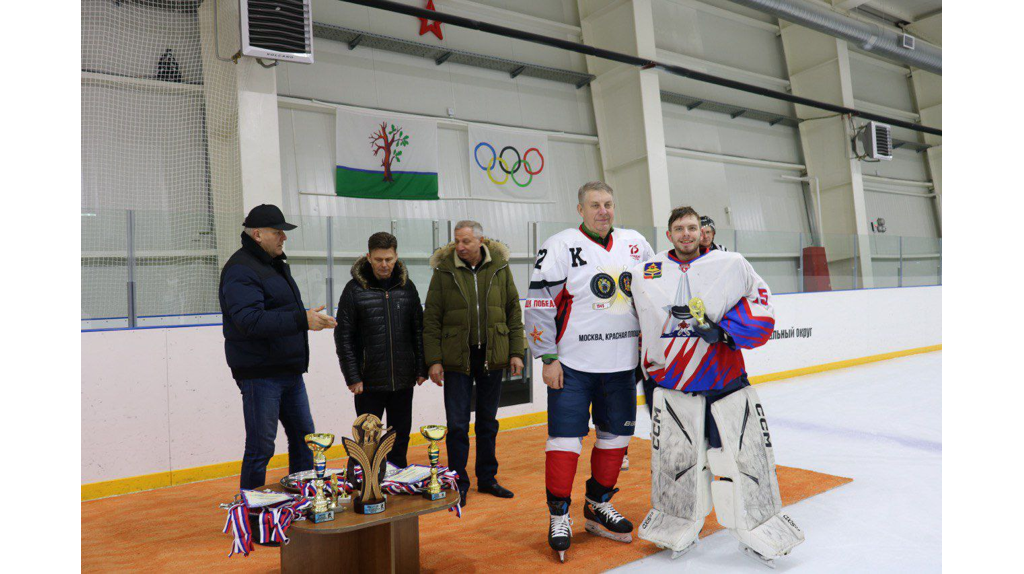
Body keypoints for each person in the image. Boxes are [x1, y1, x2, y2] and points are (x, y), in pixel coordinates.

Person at [631, 206, 803, 566]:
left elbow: (761, 303)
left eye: (692, 227)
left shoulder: (731, 263)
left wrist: (724, 332)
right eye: (679, 228)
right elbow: (639, 318)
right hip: (672, 384)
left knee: (738, 459)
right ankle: (679, 524)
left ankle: (756, 526)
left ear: (702, 231)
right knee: (678, 463)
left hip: (723, 381)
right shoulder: (647, 271)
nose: (687, 234)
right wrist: (640, 363)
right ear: (669, 234)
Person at [525, 181, 654, 561]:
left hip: (622, 367)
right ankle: (559, 513)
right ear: (579, 209)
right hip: (573, 368)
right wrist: (547, 357)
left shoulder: (636, 243)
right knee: (565, 441)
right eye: (595, 205)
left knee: (614, 441)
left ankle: (597, 504)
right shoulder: (559, 245)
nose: (603, 211)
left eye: (609, 204)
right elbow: (537, 304)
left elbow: (653, 296)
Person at [219, 204, 337, 490]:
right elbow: (250, 321)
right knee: (261, 448)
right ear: (258, 234)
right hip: (260, 373)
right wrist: (301, 319)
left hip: (288, 370)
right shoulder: (240, 269)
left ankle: (300, 500)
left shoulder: (273, 265)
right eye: (278, 232)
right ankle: (252, 512)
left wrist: (305, 316)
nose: (284, 237)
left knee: (305, 440)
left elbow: (278, 311)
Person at [423, 220, 525, 508]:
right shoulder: (444, 271)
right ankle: (458, 481)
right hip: (457, 358)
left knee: (487, 422)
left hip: (493, 354)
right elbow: (431, 318)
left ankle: (488, 478)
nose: (460, 246)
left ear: (480, 241)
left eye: (466, 241)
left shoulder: (500, 268)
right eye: (457, 241)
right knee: (457, 425)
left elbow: (512, 311)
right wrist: (434, 360)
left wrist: (516, 352)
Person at [335, 232, 426, 469]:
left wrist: (420, 368)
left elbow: (419, 330)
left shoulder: (407, 288)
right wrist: (353, 377)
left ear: (396, 257)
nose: (384, 265)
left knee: (400, 438)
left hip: (403, 381)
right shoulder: (353, 290)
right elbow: (343, 337)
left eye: (388, 259)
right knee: (367, 442)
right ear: (368, 257)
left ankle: (395, 482)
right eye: (378, 259)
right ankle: (364, 487)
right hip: (368, 384)